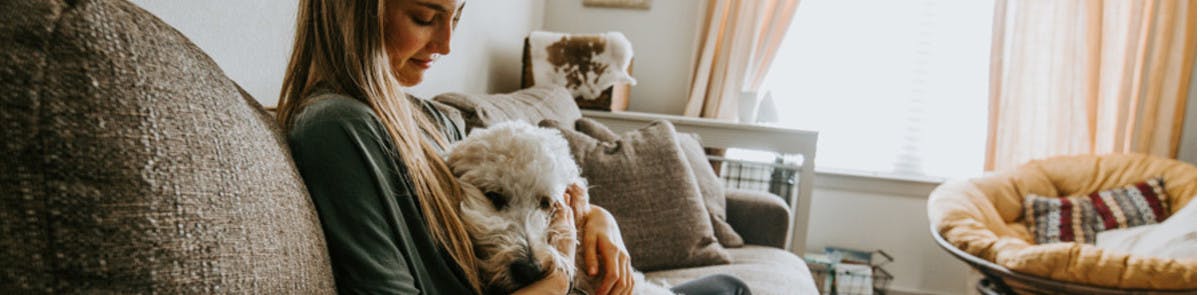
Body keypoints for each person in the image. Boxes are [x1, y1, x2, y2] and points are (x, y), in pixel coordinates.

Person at [275, 0, 752, 294]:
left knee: (731, 286)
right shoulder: (338, 130)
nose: (444, 43)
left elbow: (540, 186)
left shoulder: (431, 117)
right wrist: (557, 279)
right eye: (424, 17)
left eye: (455, 17)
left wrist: (598, 220)